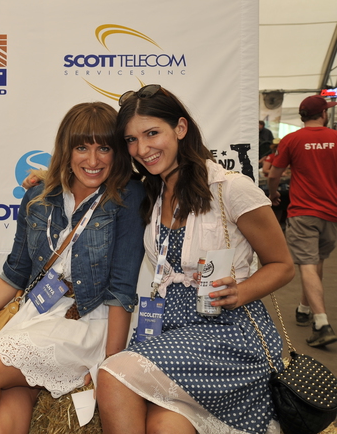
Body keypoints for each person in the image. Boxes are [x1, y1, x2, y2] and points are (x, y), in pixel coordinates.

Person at [0, 102, 145, 434]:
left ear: (117, 152)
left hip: (88, 323)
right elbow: (14, 274)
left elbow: (121, 291)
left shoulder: (128, 197)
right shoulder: (38, 195)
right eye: (82, 148)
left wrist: (109, 366)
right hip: (34, 316)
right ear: (66, 150)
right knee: (1, 426)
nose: (93, 161)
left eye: (104, 148)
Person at [97, 85, 295, 434]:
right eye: (131, 140)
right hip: (168, 329)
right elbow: (94, 180)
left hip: (225, 331)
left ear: (181, 128)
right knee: (165, 427)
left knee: (113, 374)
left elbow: (283, 265)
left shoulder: (230, 188)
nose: (141, 149)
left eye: (152, 133)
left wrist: (240, 292)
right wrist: (45, 184)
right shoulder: (152, 189)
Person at [267, 95, 337, 346]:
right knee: (316, 261)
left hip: (303, 212)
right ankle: (305, 308)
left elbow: (273, 174)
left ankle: (321, 323)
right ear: (323, 114)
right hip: (331, 213)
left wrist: (273, 194)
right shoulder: (335, 138)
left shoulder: (292, 139)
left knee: (308, 264)